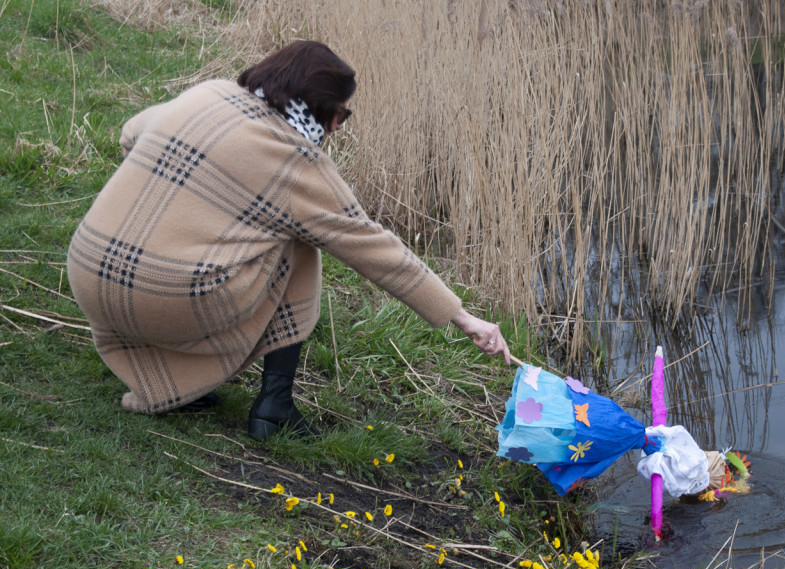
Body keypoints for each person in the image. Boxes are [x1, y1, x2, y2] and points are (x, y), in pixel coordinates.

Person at [67, 40, 510, 441]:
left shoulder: (209, 93)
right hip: (159, 300)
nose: (338, 128)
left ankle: (174, 381)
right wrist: (464, 318)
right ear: (315, 106)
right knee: (300, 244)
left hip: (89, 274)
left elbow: (130, 133)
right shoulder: (296, 161)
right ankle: (274, 406)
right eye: (340, 113)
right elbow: (375, 249)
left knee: (263, 230)